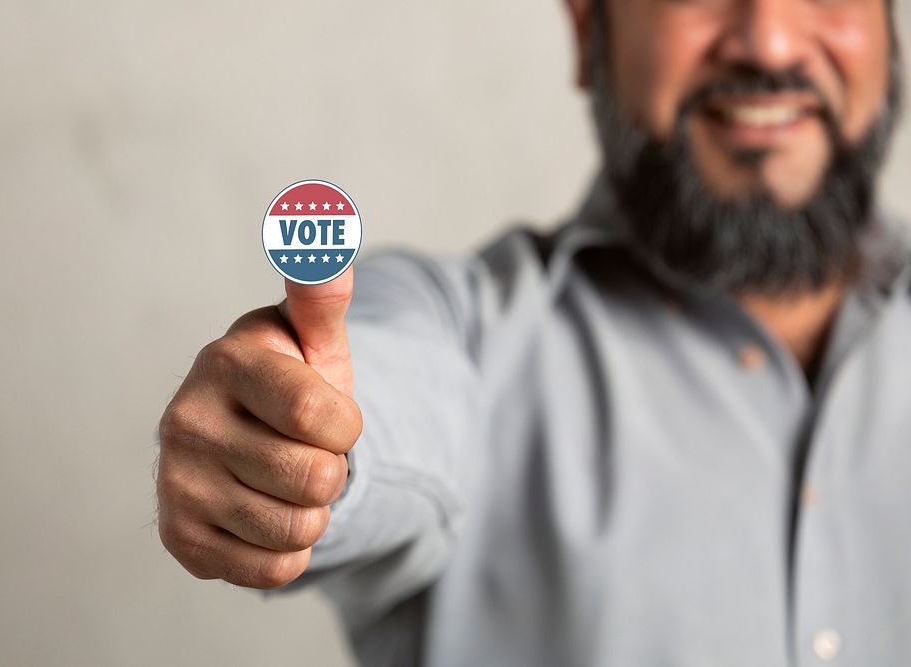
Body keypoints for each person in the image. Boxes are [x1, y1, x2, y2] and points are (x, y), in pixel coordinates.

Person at [155, 0, 911, 663]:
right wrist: (289, 439)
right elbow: (382, 404)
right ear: (589, 30)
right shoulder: (465, 331)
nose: (771, 42)